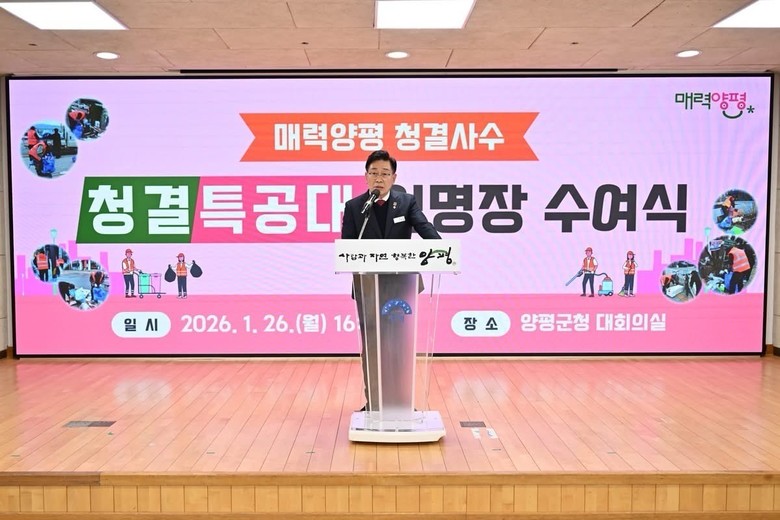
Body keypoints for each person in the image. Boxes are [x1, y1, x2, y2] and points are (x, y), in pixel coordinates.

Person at [341, 150, 440, 412]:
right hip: (368, 286)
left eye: (385, 173)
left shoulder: (406, 202)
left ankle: (402, 402)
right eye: (374, 173)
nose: (379, 178)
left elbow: (424, 227)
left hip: (401, 285)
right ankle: (374, 403)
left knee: (400, 346)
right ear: (365, 176)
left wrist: (442, 249)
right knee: (372, 347)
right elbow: (347, 247)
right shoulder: (354, 207)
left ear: (394, 178)